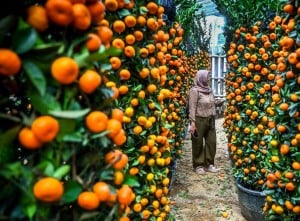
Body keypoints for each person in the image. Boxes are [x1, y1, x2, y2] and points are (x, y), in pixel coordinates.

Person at [188, 69, 223, 175]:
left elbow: (211, 102)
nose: (208, 79)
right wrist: (192, 123)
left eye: (208, 77)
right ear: (201, 78)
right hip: (199, 119)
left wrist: (218, 103)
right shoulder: (194, 91)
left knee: (211, 142)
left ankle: (209, 164)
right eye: (207, 77)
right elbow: (192, 107)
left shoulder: (209, 89)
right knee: (197, 143)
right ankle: (198, 165)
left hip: (211, 119)